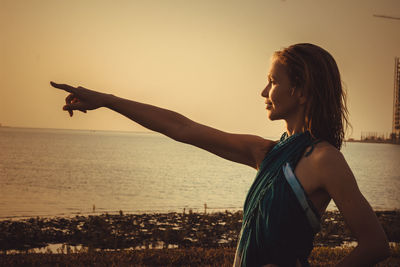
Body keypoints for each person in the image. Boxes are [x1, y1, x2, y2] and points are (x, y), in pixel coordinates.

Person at [51, 43, 389, 266]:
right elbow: (180, 127)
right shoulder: (267, 152)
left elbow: (374, 244)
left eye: (272, 81)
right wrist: (108, 100)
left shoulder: (324, 159)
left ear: (300, 90)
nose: (263, 91)